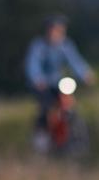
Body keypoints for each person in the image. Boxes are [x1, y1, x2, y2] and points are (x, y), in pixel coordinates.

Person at [24, 14, 94, 148]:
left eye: (60, 30)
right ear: (48, 31)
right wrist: (37, 79)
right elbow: (32, 64)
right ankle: (41, 139)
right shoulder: (38, 46)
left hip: (59, 83)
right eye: (54, 30)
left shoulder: (66, 45)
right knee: (46, 108)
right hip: (43, 85)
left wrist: (85, 74)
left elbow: (75, 62)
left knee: (68, 105)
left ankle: (73, 136)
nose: (57, 33)